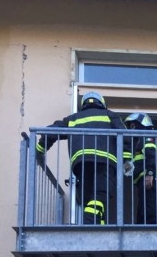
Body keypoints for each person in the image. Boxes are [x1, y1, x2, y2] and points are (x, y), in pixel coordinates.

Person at [36, 91, 128, 225]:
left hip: (81, 164)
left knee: (89, 198)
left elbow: (51, 131)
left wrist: (39, 150)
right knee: (100, 194)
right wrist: (126, 163)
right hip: (104, 162)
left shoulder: (73, 119)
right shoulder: (109, 115)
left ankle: (97, 225)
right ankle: (90, 224)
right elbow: (126, 136)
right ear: (102, 104)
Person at [123, 113, 157, 224]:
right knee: (143, 212)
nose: (131, 129)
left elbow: (152, 155)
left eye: (133, 126)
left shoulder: (147, 137)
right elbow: (129, 169)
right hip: (146, 181)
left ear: (141, 124)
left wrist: (150, 173)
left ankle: (150, 234)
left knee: (149, 212)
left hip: (152, 180)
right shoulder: (139, 142)